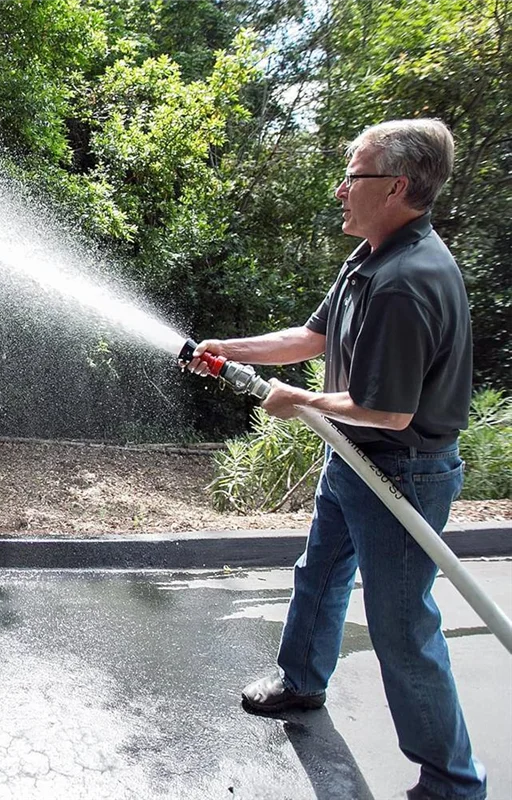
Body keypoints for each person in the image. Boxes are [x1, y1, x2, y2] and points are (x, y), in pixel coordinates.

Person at [189, 119, 486, 800]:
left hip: (400, 470)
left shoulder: (407, 280)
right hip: (354, 453)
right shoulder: (371, 259)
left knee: (402, 628)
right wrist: (229, 349)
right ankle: (301, 681)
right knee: (321, 572)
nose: (340, 188)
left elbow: (391, 411)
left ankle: (452, 783)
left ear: (397, 187)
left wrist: (300, 400)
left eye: (353, 175)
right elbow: (310, 336)